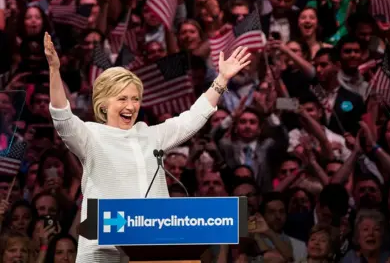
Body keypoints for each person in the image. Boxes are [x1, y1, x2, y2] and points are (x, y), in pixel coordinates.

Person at [43, 32, 251, 263]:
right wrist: (54, 71)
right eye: (122, 99)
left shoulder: (150, 135)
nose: (131, 106)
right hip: (103, 247)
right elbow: (63, 117)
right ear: (103, 104)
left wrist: (221, 79)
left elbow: (191, 118)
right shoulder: (90, 134)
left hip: (152, 245)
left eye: (135, 99)